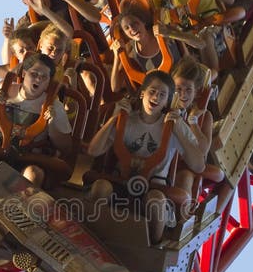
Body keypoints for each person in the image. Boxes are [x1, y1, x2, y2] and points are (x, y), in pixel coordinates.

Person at [86, 70, 204, 243]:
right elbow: (93, 150)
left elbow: (198, 165)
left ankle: (153, 246)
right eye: (152, 91)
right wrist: (114, 119)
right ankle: (89, 236)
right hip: (121, 182)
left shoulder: (173, 125)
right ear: (142, 93)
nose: (156, 97)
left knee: (156, 202)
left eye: (162, 94)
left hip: (155, 187)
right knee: (100, 187)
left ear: (166, 102)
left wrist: (178, 128)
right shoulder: (128, 120)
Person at [0, 53, 73, 188]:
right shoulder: (2, 91)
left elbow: (66, 147)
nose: (38, 80)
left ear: (48, 82)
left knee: (33, 174)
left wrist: (51, 123)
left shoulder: (54, 106)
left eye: (44, 77)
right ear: (24, 73)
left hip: (27, 159)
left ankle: (20, 206)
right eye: (34, 74)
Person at [170, 55, 224, 192]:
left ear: (196, 92)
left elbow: (203, 150)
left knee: (186, 178)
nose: (183, 95)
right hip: (164, 161)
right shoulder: (165, 107)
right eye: (178, 89)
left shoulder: (204, 117)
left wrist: (193, 121)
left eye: (188, 90)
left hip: (185, 166)